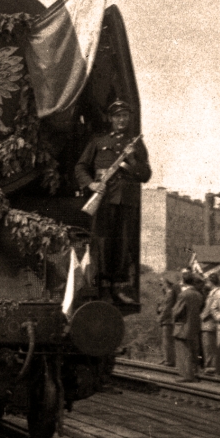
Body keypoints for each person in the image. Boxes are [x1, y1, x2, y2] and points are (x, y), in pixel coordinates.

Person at [74, 99, 151, 304]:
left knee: (122, 243)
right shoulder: (98, 141)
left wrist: (133, 161)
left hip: (126, 200)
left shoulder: (135, 144)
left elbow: (145, 175)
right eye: (117, 116)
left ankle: (118, 287)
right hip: (104, 198)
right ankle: (102, 286)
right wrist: (90, 185)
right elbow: (81, 167)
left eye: (125, 116)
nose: (122, 120)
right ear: (110, 119)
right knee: (102, 242)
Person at [171, 272, 204, 382]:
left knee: (183, 352)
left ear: (183, 282)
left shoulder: (183, 295)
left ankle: (185, 375)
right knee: (193, 351)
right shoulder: (198, 295)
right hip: (195, 326)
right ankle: (194, 373)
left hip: (182, 326)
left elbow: (176, 311)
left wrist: (173, 316)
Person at [156, 274, 179, 366]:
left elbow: (167, 308)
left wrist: (160, 318)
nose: (161, 285)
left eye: (162, 283)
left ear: (166, 283)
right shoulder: (167, 294)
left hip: (168, 320)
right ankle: (166, 358)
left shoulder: (170, 294)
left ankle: (169, 360)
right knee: (165, 341)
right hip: (166, 320)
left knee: (167, 341)